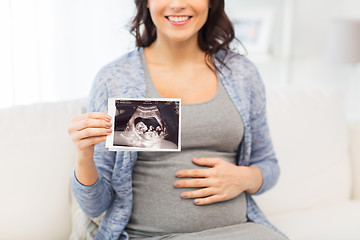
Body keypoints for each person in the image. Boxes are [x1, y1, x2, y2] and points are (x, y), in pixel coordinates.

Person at [67, 0, 287, 239]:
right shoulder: (115, 78)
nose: (178, 4)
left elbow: (268, 164)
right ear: (147, 3)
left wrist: (245, 178)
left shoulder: (242, 73)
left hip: (240, 231)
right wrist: (84, 155)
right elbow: (95, 206)